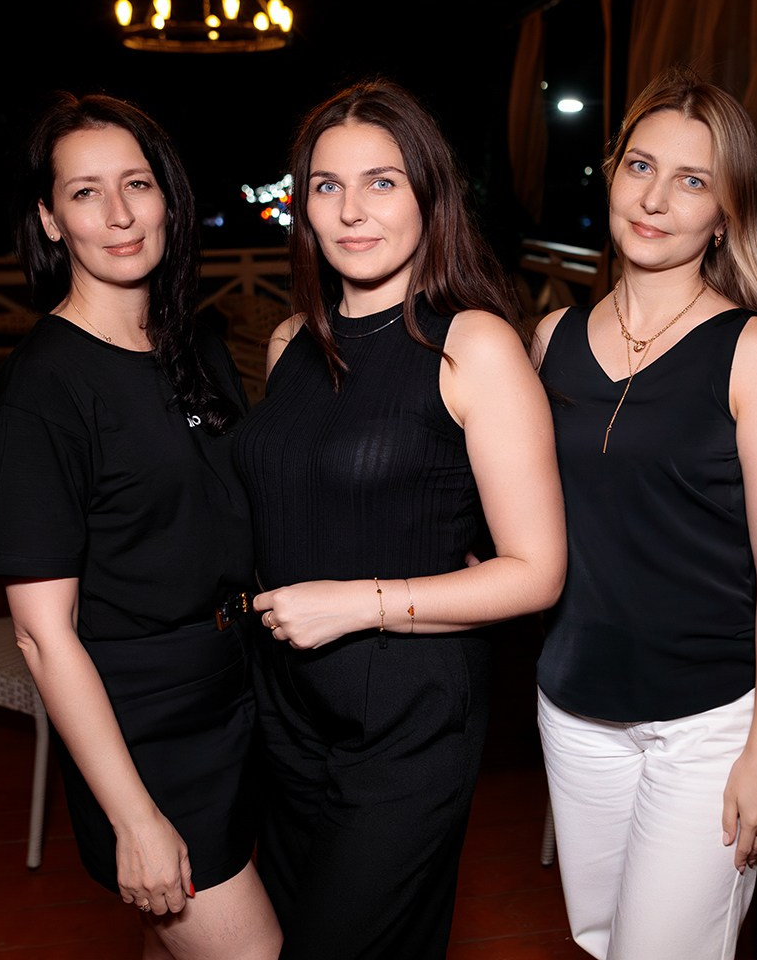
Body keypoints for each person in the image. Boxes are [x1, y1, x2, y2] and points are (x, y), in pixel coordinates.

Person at [233, 79, 567, 960]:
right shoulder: (290, 342)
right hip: (286, 712)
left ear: (429, 194)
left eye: (381, 182)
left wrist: (356, 602)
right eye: (327, 185)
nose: (352, 211)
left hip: (408, 715)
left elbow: (537, 572)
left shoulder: (473, 344)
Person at [0, 92, 280, 960]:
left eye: (137, 184)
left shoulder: (196, 344)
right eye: (84, 192)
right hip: (146, 724)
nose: (118, 214)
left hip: (241, 682)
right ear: (49, 220)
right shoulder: (42, 392)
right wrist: (134, 816)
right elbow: (42, 636)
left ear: (169, 199)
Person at [531, 66, 757, 960]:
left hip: (706, 720)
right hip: (575, 708)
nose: (654, 199)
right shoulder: (550, 339)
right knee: (602, 941)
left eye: (692, 180)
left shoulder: (753, 353)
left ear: (725, 214)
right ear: (612, 174)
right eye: (640, 167)